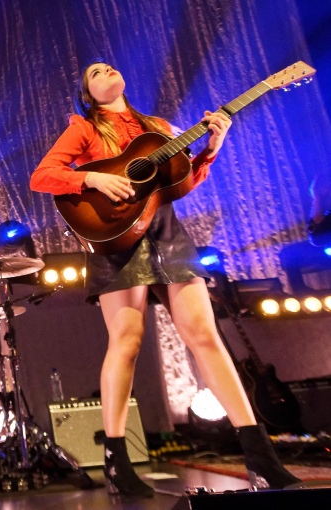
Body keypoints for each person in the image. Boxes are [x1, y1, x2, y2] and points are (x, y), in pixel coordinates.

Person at [30, 61, 300, 498]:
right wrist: (93, 175)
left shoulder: (158, 127)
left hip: (167, 231)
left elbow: (180, 183)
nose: (106, 70)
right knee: (128, 340)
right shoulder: (84, 129)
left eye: (109, 66)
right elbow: (42, 177)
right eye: (95, 72)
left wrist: (212, 145)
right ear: (87, 92)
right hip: (115, 236)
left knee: (204, 335)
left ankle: (260, 458)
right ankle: (117, 461)